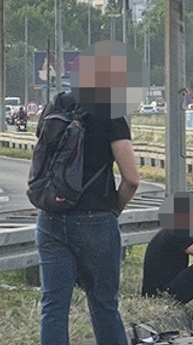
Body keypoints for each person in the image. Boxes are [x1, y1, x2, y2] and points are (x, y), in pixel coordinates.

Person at [35, 92, 139, 345]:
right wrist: (114, 209)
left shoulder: (55, 105)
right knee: (103, 303)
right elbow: (132, 179)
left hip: (50, 216)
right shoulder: (110, 112)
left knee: (53, 306)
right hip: (96, 217)